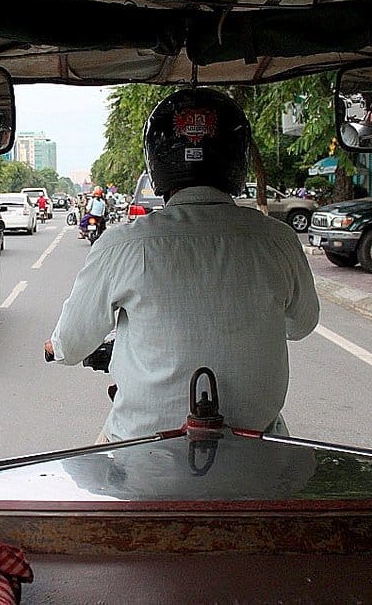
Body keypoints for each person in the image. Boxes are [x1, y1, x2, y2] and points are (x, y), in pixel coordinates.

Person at [44, 88, 319, 441]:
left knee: (94, 475)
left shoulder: (121, 244)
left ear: (156, 161)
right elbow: (301, 325)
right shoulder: (278, 239)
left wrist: (57, 347)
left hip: (141, 446)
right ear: (238, 160)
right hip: (257, 441)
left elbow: (73, 341)